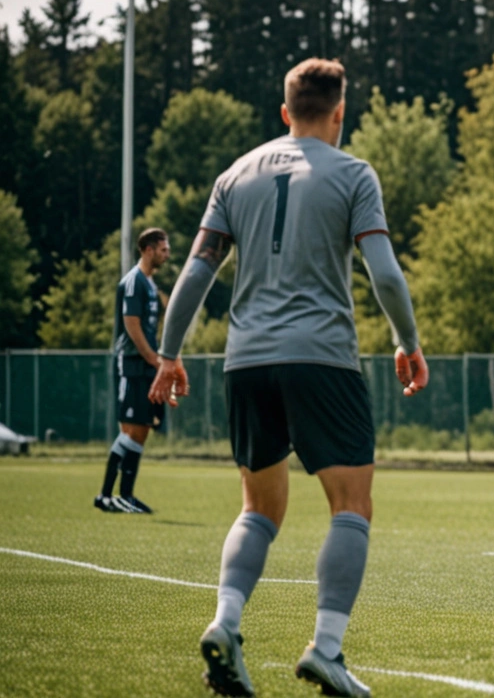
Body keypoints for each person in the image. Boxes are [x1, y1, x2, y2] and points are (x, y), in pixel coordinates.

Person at [148, 58, 428, 698]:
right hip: (321, 357)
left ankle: (225, 623)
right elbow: (384, 274)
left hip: (245, 362)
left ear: (283, 112)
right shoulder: (354, 173)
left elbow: (195, 273)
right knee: (351, 506)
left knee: (259, 508)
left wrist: (169, 354)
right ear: (339, 113)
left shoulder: (235, 175)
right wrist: (407, 342)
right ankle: (326, 648)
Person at [95, 228, 171, 514]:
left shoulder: (150, 284)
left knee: (141, 430)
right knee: (129, 430)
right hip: (131, 364)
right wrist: (154, 359)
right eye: (163, 249)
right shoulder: (132, 282)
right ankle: (105, 495)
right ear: (148, 249)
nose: (167, 254)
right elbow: (132, 325)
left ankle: (125, 495)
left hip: (146, 365)